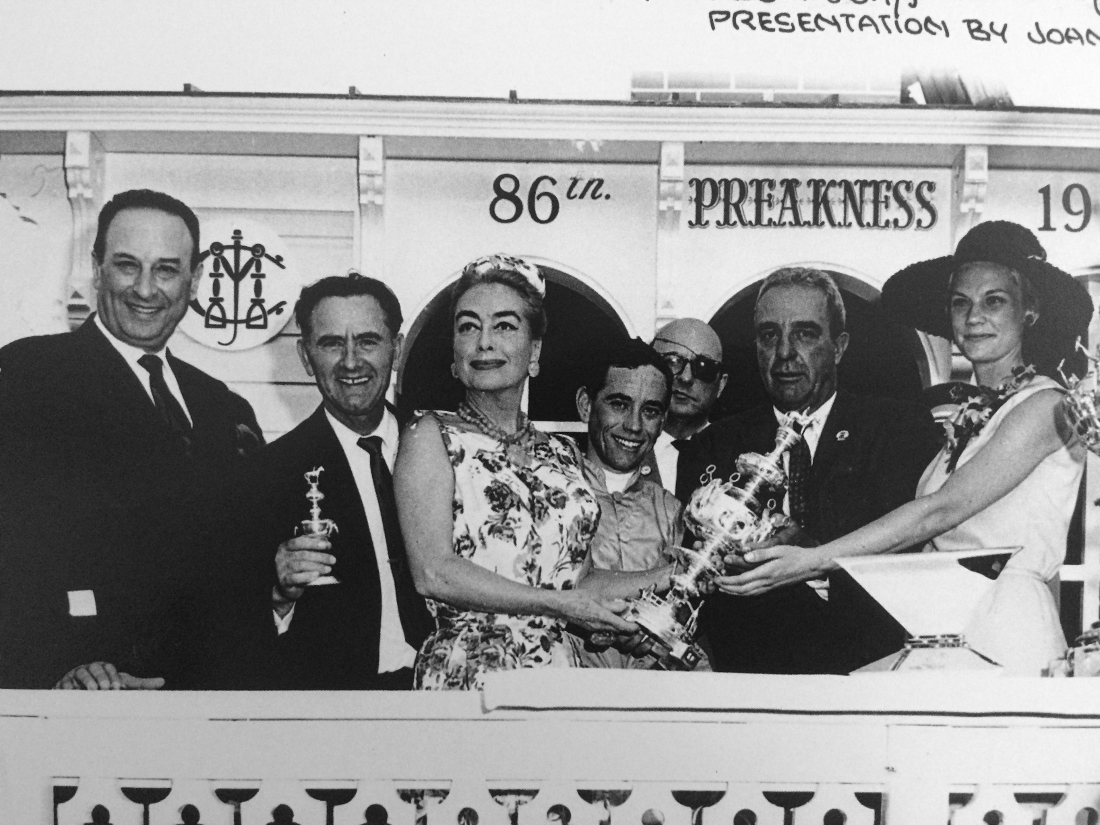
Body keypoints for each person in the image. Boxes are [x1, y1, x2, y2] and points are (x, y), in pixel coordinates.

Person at [718, 224, 1093, 675]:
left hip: (1006, 629)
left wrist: (814, 561)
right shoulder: (971, 419)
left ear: (1029, 311)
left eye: (994, 300)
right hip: (944, 629)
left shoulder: (1045, 405)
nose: (974, 317)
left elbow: (941, 510)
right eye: (961, 302)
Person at [0, 189, 263, 689]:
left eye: (166, 269)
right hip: (88, 696)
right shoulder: (27, 376)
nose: (145, 289)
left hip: (207, 699)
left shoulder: (222, 405)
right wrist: (58, 669)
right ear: (96, 268)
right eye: (127, 265)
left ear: (194, 279)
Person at [394, 254, 673, 690]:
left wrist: (674, 575)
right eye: (468, 326)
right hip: (470, 675)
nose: (484, 342)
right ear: (454, 352)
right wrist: (560, 605)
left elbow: (579, 581)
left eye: (504, 326)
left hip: (558, 677)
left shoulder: (563, 454)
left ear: (535, 351)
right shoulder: (428, 434)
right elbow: (434, 572)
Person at [679, 267, 941, 674]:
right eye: (769, 336)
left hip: (863, 679)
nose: (784, 353)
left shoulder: (899, 434)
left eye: (804, 334)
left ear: (839, 347)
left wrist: (810, 552)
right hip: (744, 683)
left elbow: (909, 572)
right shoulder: (711, 447)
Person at [210, 274, 433, 690]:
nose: (351, 361)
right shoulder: (264, 476)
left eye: (368, 341)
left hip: (447, 692)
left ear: (396, 349)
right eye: (332, 344)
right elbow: (230, 629)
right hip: (337, 706)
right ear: (306, 356)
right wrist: (278, 594)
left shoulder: (442, 449)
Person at [568, 337, 688, 669]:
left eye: (650, 411)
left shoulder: (672, 511)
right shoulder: (554, 488)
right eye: (619, 404)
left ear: (663, 421)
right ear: (585, 405)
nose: (634, 425)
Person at [649, 319, 728, 497]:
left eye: (704, 367)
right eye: (672, 361)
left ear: (721, 385)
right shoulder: (624, 449)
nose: (686, 378)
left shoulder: (734, 456)